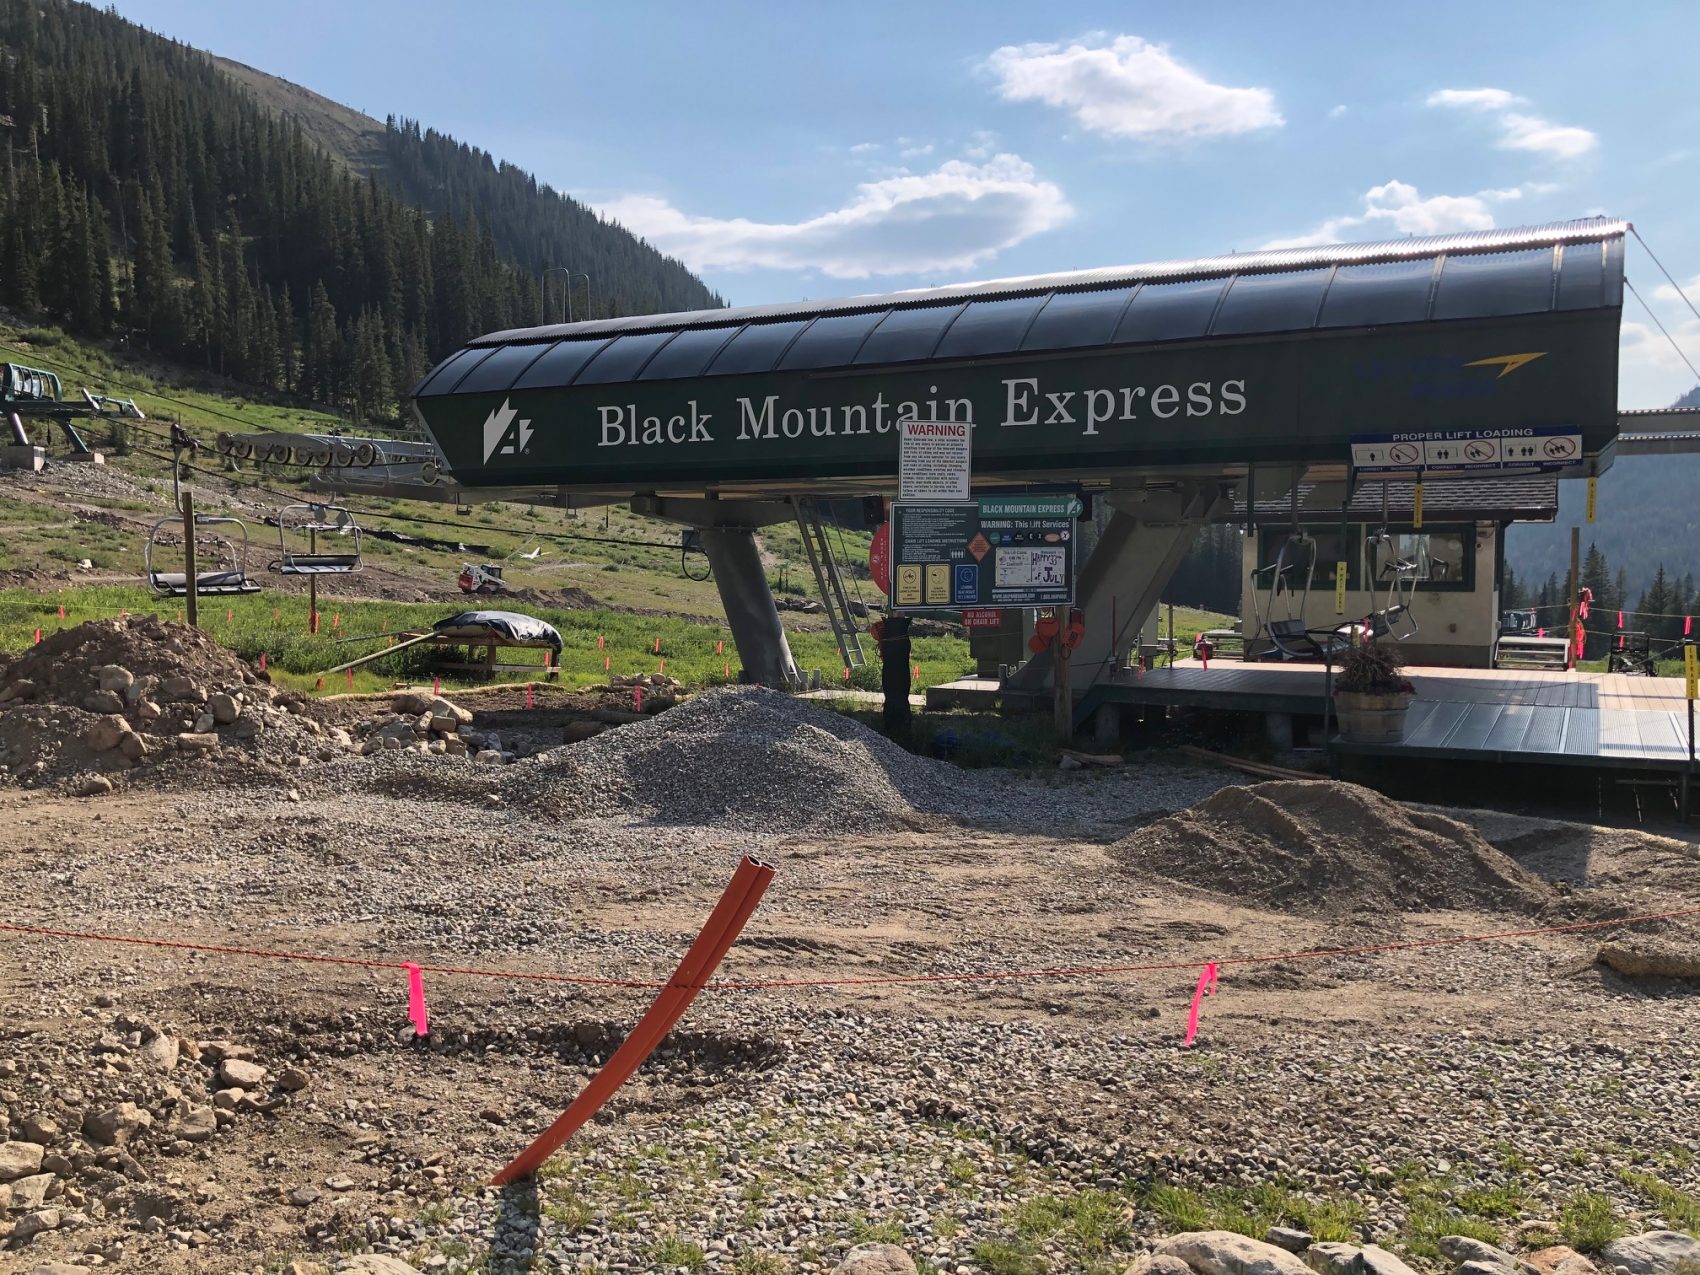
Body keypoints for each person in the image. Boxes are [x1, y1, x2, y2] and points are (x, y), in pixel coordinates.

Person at [869, 613, 913, 744]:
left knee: (894, 694)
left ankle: (895, 727)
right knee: (897, 694)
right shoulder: (901, 639)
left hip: (893, 645)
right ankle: (900, 728)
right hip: (897, 643)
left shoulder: (890, 640)